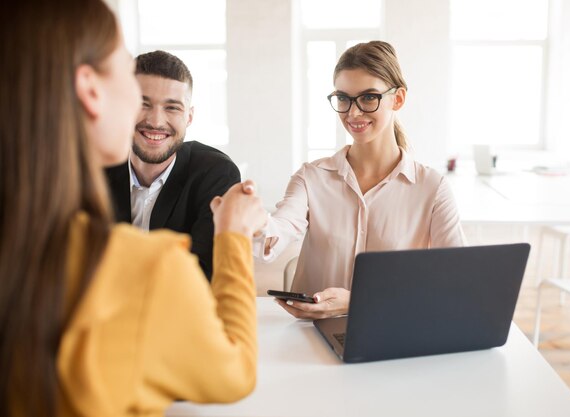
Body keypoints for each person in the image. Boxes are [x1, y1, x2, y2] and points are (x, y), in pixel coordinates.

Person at [0, 1, 266, 416]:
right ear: (91, 91)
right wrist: (233, 234)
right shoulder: (152, 271)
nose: (153, 117)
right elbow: (235, 374)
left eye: (172, 106)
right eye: (126, 70)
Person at [258, 41, 466, 319]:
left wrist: (358, 302)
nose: (353, 113)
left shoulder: (432, 188)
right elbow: (281, 228)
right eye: (343, 98)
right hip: (311, 338)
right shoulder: (311, 177)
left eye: (368, 97)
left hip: (393, 329)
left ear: (398, 99)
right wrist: (256, 225)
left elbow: (456, 281)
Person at [106, 50, 240, 280]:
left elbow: (204, 276)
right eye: (143, 103)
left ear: (189, 116)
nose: (156, 121)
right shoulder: (97, 170)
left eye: (172, 107)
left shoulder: (216, 174)